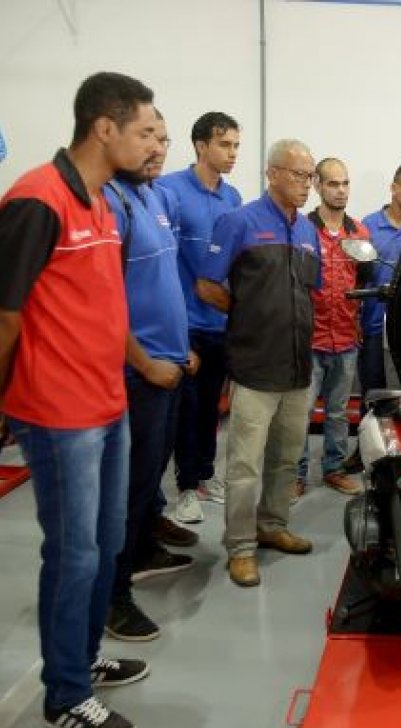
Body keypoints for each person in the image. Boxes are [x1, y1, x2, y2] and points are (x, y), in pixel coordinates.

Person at [0, 72, 158, 728]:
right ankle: (65, 694)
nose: (152, 144)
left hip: (106, 404)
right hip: (59, 415)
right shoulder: (37, 200)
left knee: (107, 545)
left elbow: (104, 308)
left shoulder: (103, 202)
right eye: (144, 130)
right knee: (75, 554)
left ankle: (83, 659)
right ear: (104, 128)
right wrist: (10, 400)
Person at [196, 139, 321, 588]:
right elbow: (208, 285)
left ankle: (272, 525)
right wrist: (245, 311)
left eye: (310, 177)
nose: (307, 185)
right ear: (272, 174)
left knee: (286, 458)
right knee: (245, 465)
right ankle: (241, 548)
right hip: (254, 367)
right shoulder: (239, 221)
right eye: (298, 175)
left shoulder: (308, 231)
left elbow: (310, 292)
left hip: (297, 369)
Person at [102, 110, 196, 643]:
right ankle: (115, 596)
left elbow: (164, 279)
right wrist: (145, 363)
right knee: (127, 490)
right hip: (137, 374)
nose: (158, 147)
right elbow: (105, 307)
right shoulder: (110, 204)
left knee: (148, 479)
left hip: (169, 364)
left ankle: (140, 551)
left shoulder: (154, 198)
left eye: (163, 138)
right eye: (147, 137)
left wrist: (181, 352)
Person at [158, 112, 243, 526]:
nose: (232, 154)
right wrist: (173, 329)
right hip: (185, 323)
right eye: (225, 145)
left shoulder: (233, 198)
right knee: (186, 410)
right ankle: (186, 488)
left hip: (221, 322)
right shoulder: (169, 191)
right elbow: (162, 263)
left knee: (212, 407)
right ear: (200, 145)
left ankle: (205, 478)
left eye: (236, 146)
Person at [342, 164, 401, 472]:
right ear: (394, 188)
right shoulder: (368, 226)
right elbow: (356, 278)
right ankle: (364, 450)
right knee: (372, 393)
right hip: (374, 325)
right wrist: (353, 318)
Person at [297, 157, 368, 497]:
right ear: (317, 186)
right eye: (332, 184)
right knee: (301, 411)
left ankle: (334, 469)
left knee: (338, 413)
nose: (341, 191)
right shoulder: (302, 229)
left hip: (346, 340)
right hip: (310, 339)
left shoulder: (359, 233)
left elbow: (364, 282)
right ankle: (295, 476)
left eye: (345, 183)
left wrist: (357, 326)